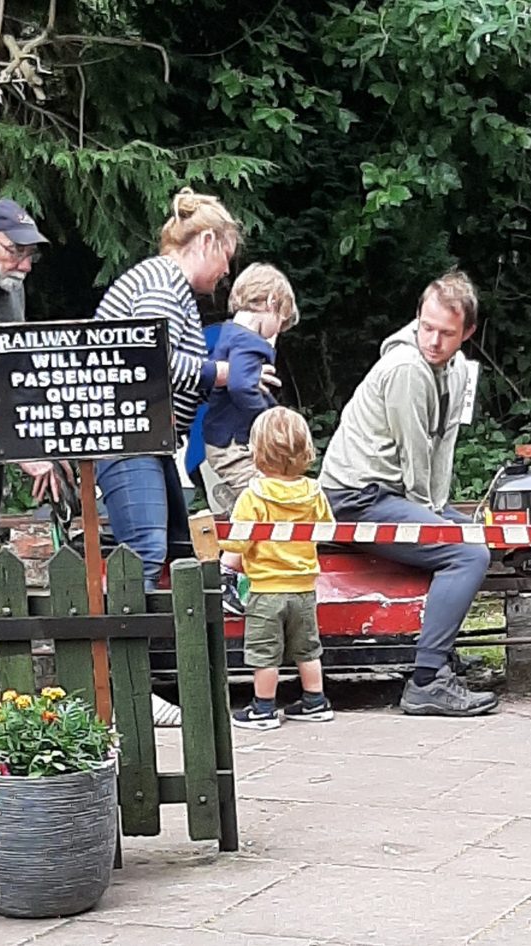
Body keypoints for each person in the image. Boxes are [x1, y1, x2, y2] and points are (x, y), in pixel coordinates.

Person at [319, 270, 497, 717]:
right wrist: (434, 522)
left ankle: (440, 654)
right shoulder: (406, 368)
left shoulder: (457, 370)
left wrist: (441, 512)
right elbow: (414, 451)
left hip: (387, 495)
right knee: (467, 554)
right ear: (417, 317)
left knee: (474, 536)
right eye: (427, 327)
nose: (433, 340)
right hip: (355, 497)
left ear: (468, 333)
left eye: (447, 333)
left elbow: (443, 447)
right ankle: (427, 680)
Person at [94, 188, 251, 591]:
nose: (226, 271)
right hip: (129, 439)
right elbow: (151, 359)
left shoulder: (165, 283)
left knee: (177, 548)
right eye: (226, 257)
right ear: (206, 241)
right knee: (145, 554)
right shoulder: (163, 284)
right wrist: (218, 373)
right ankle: (126, 634)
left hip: (146, 438)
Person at [0, 198, 72, 587]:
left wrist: (42, 440)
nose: (25, 265)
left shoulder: (12, 287)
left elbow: (18, 371)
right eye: (15, 251)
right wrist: (21, 449)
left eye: (29, 254)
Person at [221, 407, 335, 730]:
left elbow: (237, 542)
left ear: (256, 452)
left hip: (266, 590)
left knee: (264, 654)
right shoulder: (314, 492)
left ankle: (264, 708)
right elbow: (327, 529)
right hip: (303, 588)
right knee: (307, 650)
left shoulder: (253, 496)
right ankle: (315, 701)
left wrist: (224, 566)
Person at [202, 262, 300, 613]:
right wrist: (272, 423)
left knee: (260, 496)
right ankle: (226, 575)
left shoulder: (230, 335)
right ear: (271, 303)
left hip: (225, 440)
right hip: (233, 444)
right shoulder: (249, 341)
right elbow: (243, 387)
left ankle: (234, 507)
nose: (278, 333)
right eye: (281, 322)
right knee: (265, 500)